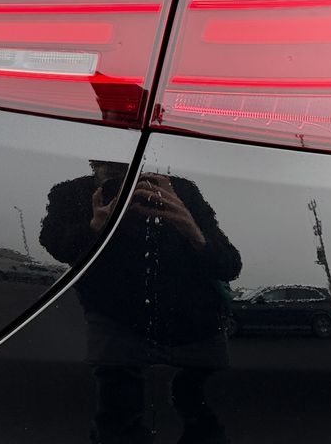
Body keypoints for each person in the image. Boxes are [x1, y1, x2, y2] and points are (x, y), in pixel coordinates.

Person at [40, 161, 241, 444]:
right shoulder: (71, 193)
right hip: (115, 328)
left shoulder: (181, 191)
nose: (116, 165)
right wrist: (95, 228)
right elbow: (55, 245)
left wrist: (192, 230)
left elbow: (230, 265)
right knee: (116, 424)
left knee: (207, 427)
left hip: (198, 329)